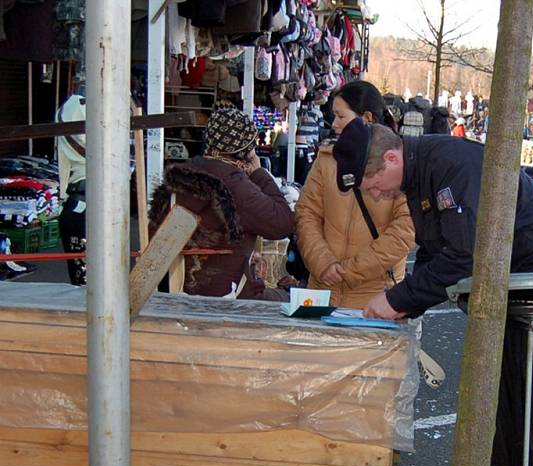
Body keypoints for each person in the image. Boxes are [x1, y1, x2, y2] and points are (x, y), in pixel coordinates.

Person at [332, 119, 533, 466]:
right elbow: (435, 250)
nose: (373, 194)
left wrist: (396, 299)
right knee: (500, 406)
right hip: (522, 286)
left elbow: (462, 255)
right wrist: (405, 304)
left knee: (519, 409)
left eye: (372, 183)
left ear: (392, 159)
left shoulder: (449, 166)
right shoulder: (421, 170)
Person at [149, 107, 294, 300]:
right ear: (247, 150)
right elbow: (282, 223)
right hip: (227, 297)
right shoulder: (233, 184)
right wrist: (259, 173)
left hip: (173, 291)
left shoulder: (181, 175)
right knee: (289, 300)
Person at [294, 80, 415, 308]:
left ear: (366, 118)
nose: (335, 124)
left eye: (341, 116)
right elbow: (307, 213)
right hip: (322, 290)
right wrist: (323, 263)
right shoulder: (327, 158)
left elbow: (404, 231)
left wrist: (349, 271)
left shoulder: (398, 164)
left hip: (376, 296)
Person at [56, 94, 88, 286]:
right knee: (83, 275)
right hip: (82, 195)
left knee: (82, 274)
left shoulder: (69, 111)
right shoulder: (75, 111)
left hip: (78, 198)